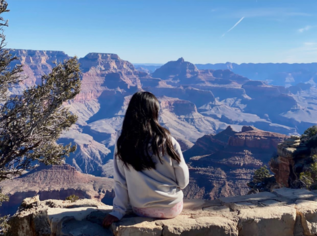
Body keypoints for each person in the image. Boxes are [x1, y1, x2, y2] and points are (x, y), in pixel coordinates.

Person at [103, 91, 189, 227]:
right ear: (154, 113)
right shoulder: (168, 141)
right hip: (172, 209)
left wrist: (117, 212)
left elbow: (120, 182)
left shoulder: (123, 143)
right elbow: (183, 182)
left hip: (142, 210)